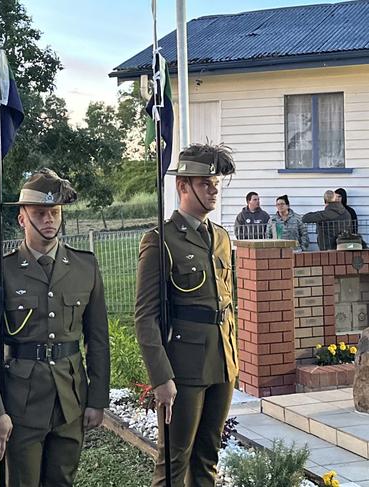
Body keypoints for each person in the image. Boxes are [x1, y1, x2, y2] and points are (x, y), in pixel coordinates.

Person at [0, 168, 110, 487]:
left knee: (62, 480)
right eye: (39, 213)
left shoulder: (85, 266)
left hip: (70, 399)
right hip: (20, 403)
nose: (49, 219)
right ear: (22, 218)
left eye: (54, 212)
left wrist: (97, 399)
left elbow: (98, 340)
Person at [135, 143, 238, 487]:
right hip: (184, 369)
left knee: (208, 457)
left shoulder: (221, 238)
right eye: (205, 183)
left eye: (216, 184)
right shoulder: (161, 241)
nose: (214, 190)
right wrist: (161, 377)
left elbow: (226, 303)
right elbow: (145, 317)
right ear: (183, 186)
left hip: (222, 363)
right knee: (174, 462)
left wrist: (234, 356)